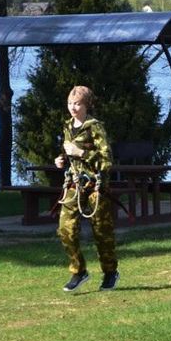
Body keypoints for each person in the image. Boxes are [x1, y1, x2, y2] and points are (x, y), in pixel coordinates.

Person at [54, 86, 119, 292]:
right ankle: (79, 271)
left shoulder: (95, 127)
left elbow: (106, 161)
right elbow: (68, 151)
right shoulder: (67, 126)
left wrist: (81, 153)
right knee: (65, 229)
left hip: (95, 187)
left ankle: (110, 272)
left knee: (102, 232)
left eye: (77, 104)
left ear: (86, 105)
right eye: (70, 103)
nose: (73, 108)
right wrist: (61, 159)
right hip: (74, 184)